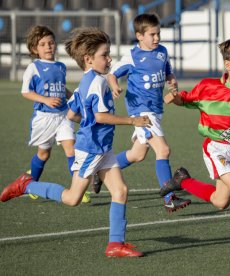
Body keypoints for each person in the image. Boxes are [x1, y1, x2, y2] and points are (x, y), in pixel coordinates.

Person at [1, 27, 152, 257]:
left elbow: (71, 114)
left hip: (102, 147)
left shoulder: (90, 80)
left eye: (109, 53)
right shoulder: (97, 83)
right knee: (73, 198)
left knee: (120, 190)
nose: (109, 58)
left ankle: (115, 244)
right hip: (91, 149)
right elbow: (100, 116)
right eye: (105, 54)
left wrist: (87, 120)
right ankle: (26, 185)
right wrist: (132, 121)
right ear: (89, 59)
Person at [161, 36, 230, 261]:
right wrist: (174, 98)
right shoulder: (208, 87)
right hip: (216, 148)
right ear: (228, 64)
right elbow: (186, 99)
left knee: (220, 201)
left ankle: (181, 180)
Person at [107, 13, 191, 213]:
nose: (157, 38)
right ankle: (169, 198)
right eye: (152, 34)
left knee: (137, 154)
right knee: (163, 150)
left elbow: (168, 72)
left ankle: (101, 168)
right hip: (141, 111)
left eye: (158, 33)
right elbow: (112, 74)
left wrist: (172, 81)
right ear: (139, 36)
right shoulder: (132, 56)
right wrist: (114, 86)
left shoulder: (162, 52)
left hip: (157, 109)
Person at [20, 25, 90, 203]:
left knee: (71, 149)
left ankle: (78, 190)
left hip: (63, 115)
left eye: (51, 43)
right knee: (44, 154)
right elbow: (26, 92)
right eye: (43, 44)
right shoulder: (34, 67)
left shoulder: (60, 66)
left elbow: (61, 89)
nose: (48, 46)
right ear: (35, 49)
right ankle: (31, 184)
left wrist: (73, 97)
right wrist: (45, 99)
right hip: (45, 118)